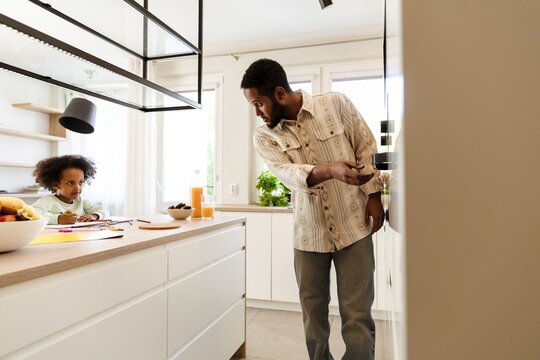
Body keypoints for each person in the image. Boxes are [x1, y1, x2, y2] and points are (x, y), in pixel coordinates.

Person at [241, 58, 384, 360]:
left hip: (354, 228)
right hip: (308, 237)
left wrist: (373, 196)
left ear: (280, 93)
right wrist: (330, 169)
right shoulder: (264, 136)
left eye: (259, 104)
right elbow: (287, 174)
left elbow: (366, 145)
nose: (257, 113)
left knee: (357, 316)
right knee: (314, 322)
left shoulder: (335, 103)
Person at [32, 155, 109, 225]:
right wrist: (59, 219)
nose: (77, 187)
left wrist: (94, 216)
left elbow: (104, 211)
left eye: (80, 182)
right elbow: (32, 216)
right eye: (70, 183)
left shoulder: (81, 201)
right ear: (55, 185)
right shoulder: (47, 201)